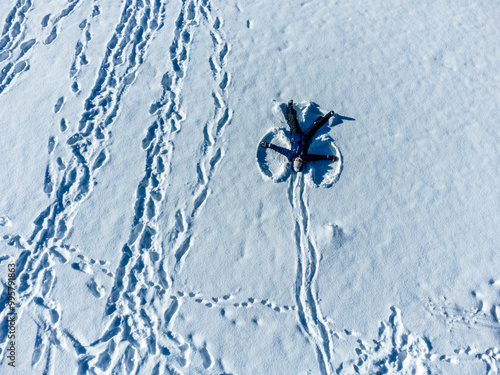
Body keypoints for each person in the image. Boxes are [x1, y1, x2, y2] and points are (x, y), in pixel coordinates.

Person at [260, 100, 338, 172]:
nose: (298, 159)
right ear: (301, 163)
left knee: (293, 122)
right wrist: (330, 157)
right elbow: (317, 157)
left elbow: (280, 149)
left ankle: (290, 107)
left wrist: (268, 145)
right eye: (299, 161)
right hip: (307, 137)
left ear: (293, 161)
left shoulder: (290, 155)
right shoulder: (306, 158)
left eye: (296, 161)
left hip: (295, 135)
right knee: (315, 126)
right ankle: (327, 116)